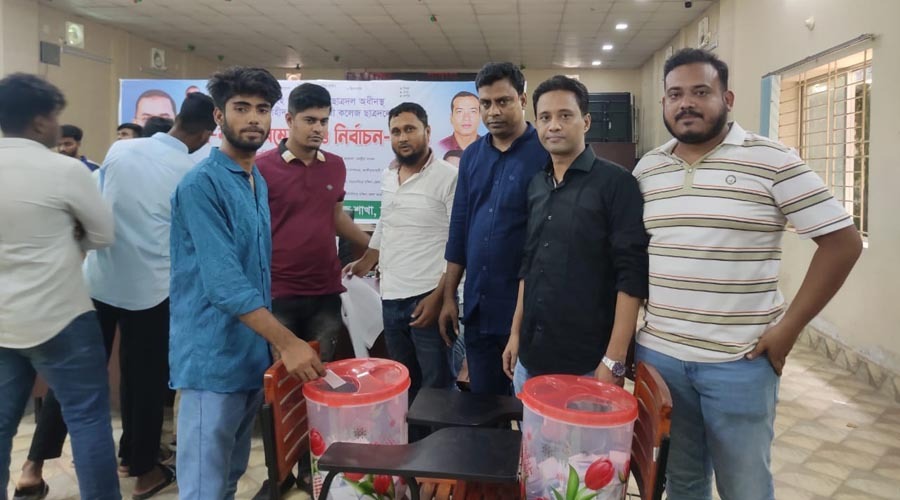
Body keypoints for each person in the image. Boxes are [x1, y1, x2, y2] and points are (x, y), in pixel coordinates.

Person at [633, 48, 862, 500]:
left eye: (700, 92)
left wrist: (789, 329)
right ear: (664, 103)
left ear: (727, 98)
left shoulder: (772, 160)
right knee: (682, 482)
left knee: (745, 487)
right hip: (661, 358)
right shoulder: (648, 169)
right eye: (675, 94)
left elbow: (843, 243)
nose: (686, 103)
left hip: (739, 362)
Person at [169, 67, 324, 499]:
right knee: (204, 487)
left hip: (248, 358)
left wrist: (270, 344)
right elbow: (225, 286)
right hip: (211, 361)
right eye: (241, 108)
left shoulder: (255, 180)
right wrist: (288, 341)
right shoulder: (201, 185)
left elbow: (256, 273)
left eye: (262, 109)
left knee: (229, 478)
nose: (254, 118)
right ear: (219, 116)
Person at [74, 93, 217, 499]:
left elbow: (102, 203)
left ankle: (119, 457)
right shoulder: (193, 170)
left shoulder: (120, 149)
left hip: (101, 281)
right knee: (147, 382)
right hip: (153, 290)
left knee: (94, 378)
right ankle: (144, 472)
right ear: (206, 134)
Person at [0, 73, 120, 500]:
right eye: (54, 117)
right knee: (87, 420)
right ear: (39, 121)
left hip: (3, 321)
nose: (57, 126)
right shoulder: (66, 170)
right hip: (62, 316)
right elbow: (103, 235)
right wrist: (69, 239)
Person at [502, 75, 649, 394]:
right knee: (530, 429)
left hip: (587, 364)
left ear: (586, 121)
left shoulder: (616, 183)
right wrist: (515, 334)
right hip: (531, 357)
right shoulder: (537, 184)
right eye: (545, 117)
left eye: (565, 115)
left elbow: (631, 275)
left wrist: (615, 359)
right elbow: (529, 264)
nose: (554, 125)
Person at [439, 62, 549, 395]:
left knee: (531, 407)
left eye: (503, 101)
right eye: (485, 103)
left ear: (523, 100)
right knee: (485, 408)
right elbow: (460, 228)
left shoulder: (545, 152)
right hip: (479, 307)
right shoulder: (472, 156)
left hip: (529, 312)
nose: (493, 111)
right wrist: (449, 297)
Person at [344, 102, 458, 401]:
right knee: (403, 382)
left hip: (428, 298)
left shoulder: (449, 177)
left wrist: (439, 297)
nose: (402, 137)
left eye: (410, 129)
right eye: (396, 131)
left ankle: (435, 434)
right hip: (391, 297)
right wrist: (366, 260)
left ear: (427, 131)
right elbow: (386, 222)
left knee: (436, 388)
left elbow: (459, 241)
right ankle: (411, 433)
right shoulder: (389, 174)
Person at [256, 83, 371, 362]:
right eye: (309, 120)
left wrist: (374, 246)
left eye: (323, 121)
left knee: (322, 374)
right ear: (289, 120)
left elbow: (336, 216)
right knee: (282, 378)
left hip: (325, 292)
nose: (318, 128)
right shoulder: (261, 168)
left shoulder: (335, 165)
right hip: (277, 293)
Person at [437, 91, 480, 156]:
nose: (466, 118)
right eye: (459, 111)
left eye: (473, 111)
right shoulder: (439, 148)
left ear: (480, 117)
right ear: (451, 117)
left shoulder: (489, 148)